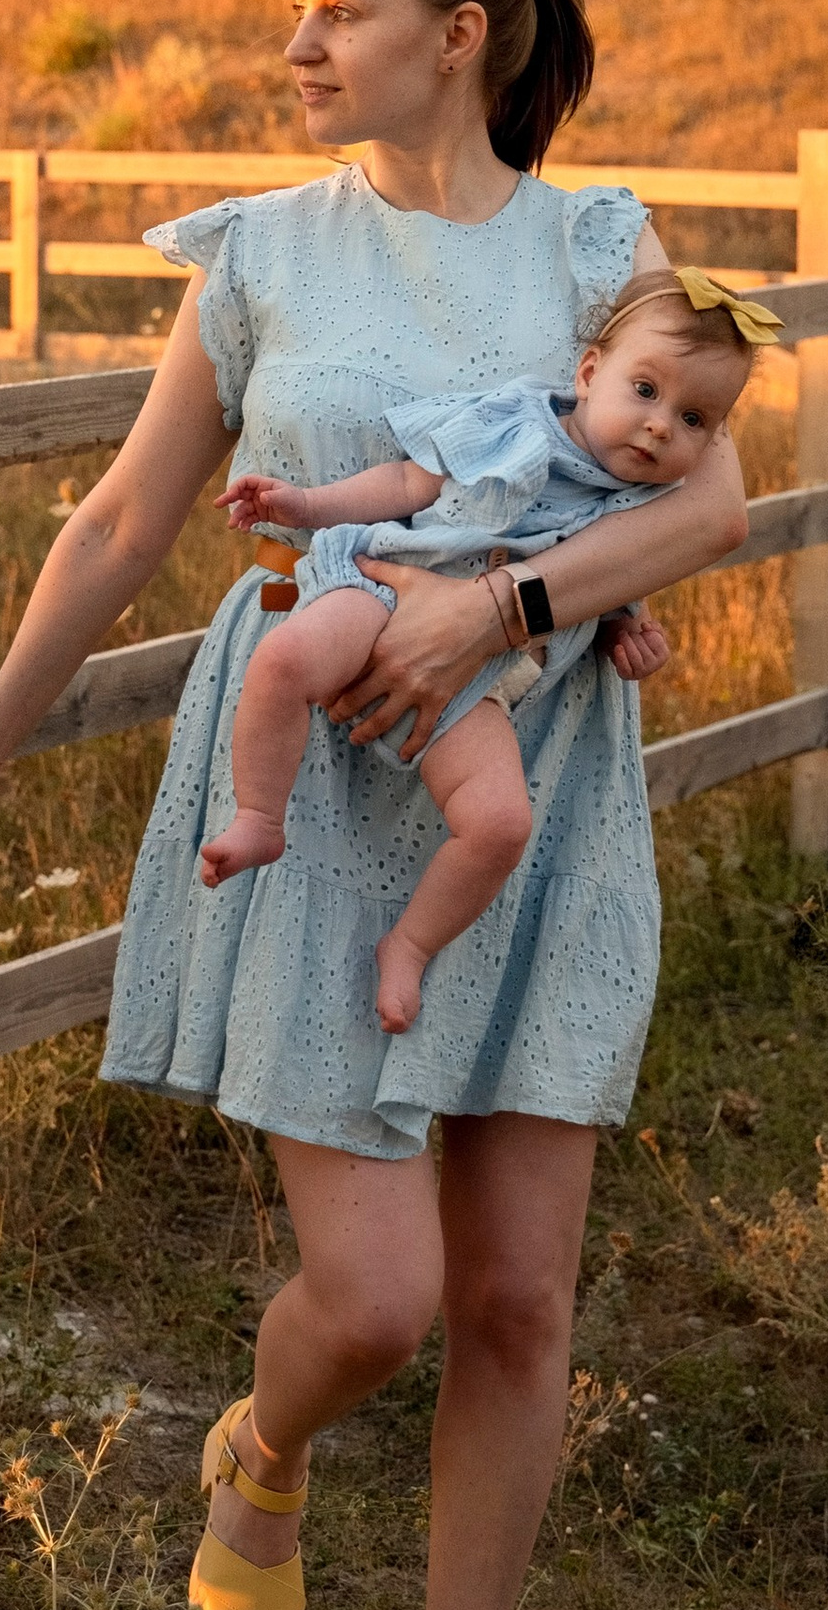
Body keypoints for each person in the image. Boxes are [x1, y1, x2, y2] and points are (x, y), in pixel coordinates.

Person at [0, 0, 748, 1610]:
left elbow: (704, 493)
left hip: (531, 804)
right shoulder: (260, 254)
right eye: (290, 10)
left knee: (513, 1306)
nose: (293, 44)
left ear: (456, 30)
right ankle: (258, 1448)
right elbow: (119, 518)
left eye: (331, 7)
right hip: (314, 814)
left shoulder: (589, 245)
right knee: (370, 1294)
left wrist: (512, 601)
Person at [200, 267, 776, 1036]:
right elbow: (409, 481)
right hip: (386, 584)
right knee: (283, 661)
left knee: (502, 825)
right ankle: (259, 814)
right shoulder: (515, 420)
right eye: (646, 391)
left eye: (697, 418)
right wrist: (306, 505)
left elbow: (603, 587)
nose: (663, 426)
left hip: (483, 671)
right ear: (590, 372)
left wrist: (627, 632)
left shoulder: (646, 505)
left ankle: (409, 945)